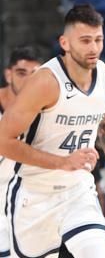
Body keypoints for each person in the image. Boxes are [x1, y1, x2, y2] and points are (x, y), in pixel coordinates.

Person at [0, 5, 105, 257]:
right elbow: (3, 141)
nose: (93, 48)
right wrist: (62, 162)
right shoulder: (45, 81)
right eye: (85, 40)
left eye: (98, 40)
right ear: (65, 42)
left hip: (78, 190)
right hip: (34, 194)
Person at [0, 46, 42, 258]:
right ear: (8, 74)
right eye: (21, 73)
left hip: (30, 198)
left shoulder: (45, 109)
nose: (28, 81)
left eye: (34, 75)